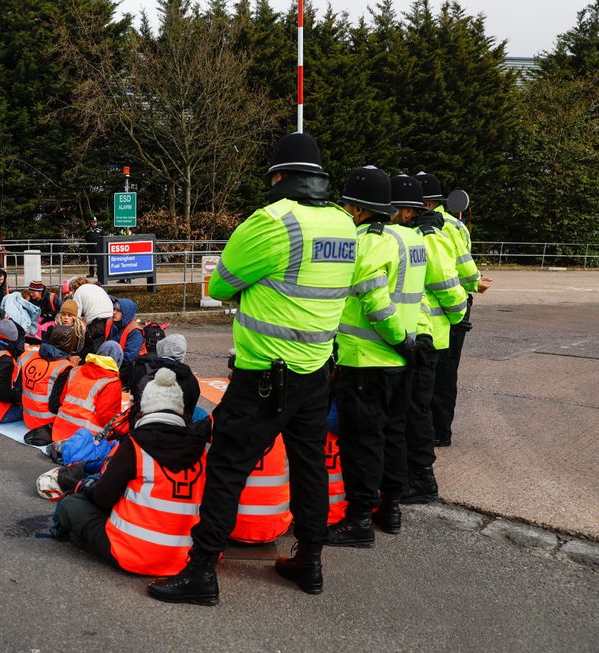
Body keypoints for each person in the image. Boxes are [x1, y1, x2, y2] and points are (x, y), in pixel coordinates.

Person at [147, 132, 356, 604]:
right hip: (316, 370)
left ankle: (202, 572)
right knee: (309, 468)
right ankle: (310, 562)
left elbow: (220, 284)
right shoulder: (345, 225)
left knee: (227, 467)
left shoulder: (271, 222)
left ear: (279, 176)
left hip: (265, 374)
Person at [328, 166, 426, 547]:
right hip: (403, 358)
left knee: (362, 441)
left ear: (356, 207)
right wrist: (408, 343)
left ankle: (359, 521)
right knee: (393, 433)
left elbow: (374, 300)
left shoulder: (368, 243)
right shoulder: (413, 239)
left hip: (367, 356)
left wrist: (397, 338)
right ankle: (392, 508)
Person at [53, 368, 209, 576]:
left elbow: (102, 499)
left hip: (134, 553)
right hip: (187, 557)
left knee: (71, 505)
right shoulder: (202, 449)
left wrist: (88, 487)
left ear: (145, 408)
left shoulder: (135, 446)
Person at [390, 175, 467, 504]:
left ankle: (422, 480)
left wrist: (458, 314)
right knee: (409, 407)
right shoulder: (409, 233)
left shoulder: (428, 235)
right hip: (415, 332)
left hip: (426, 334)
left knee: (417, 408)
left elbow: (447, 280)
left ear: (409, 211)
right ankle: (410, 475)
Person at [415, 172, 488, 447]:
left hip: (445, 307)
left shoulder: (435, 226)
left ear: (426, 203)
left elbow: (450, 269)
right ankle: (440, 429)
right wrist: (474, 284)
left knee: (432, 374)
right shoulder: (454, 225)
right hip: (456, 304)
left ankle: (435, 431)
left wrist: (459, 303)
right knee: (446, 373)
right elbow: (466, 266)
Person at [51, 341, 124, 442]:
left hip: (59, 433)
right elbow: (105, 418)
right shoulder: (112, 382)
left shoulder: (75, 371)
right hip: (85, 441)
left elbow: (62, 399)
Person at [129, 334, 200, 422]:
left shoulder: (143, 369)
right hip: (178, 427)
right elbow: (190, 409)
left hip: (144, 425)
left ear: (161, 348)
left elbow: (134, 400)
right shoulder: (189, 378)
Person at [21, 325, 80, 430]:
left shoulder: (29, 355)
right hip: (46, 422)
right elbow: (55, 405)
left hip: (27, 418)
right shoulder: (64, 367)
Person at [105, 298, 147, 385]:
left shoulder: (135, 331)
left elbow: (129, 358)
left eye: (118, 310)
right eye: (114, 309)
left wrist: (108, 365)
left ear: (125, 313)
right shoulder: (110, 322)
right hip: (112, 363)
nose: (114, 312)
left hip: (129, 367)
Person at [74, 282, 114, 355]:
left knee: (96, 345)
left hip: (97, 319)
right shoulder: (97, 289)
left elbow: (76, 314)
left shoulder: (78, 291)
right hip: (110, 316)